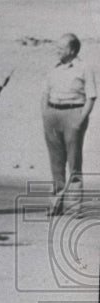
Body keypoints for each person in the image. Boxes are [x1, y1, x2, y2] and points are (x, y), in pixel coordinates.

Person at [40, 33, 96, 217]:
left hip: (74, 113)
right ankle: (56, 204)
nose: (57, 50)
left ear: (72, 50)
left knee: (74, 161)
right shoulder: (53, 69)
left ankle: (73, 206)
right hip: (53, 114)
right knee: (55, 162)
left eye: (61, 47)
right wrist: (45, 113)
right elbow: (45, 93)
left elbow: (91, 96)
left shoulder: (84, 68)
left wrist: (80, 119)